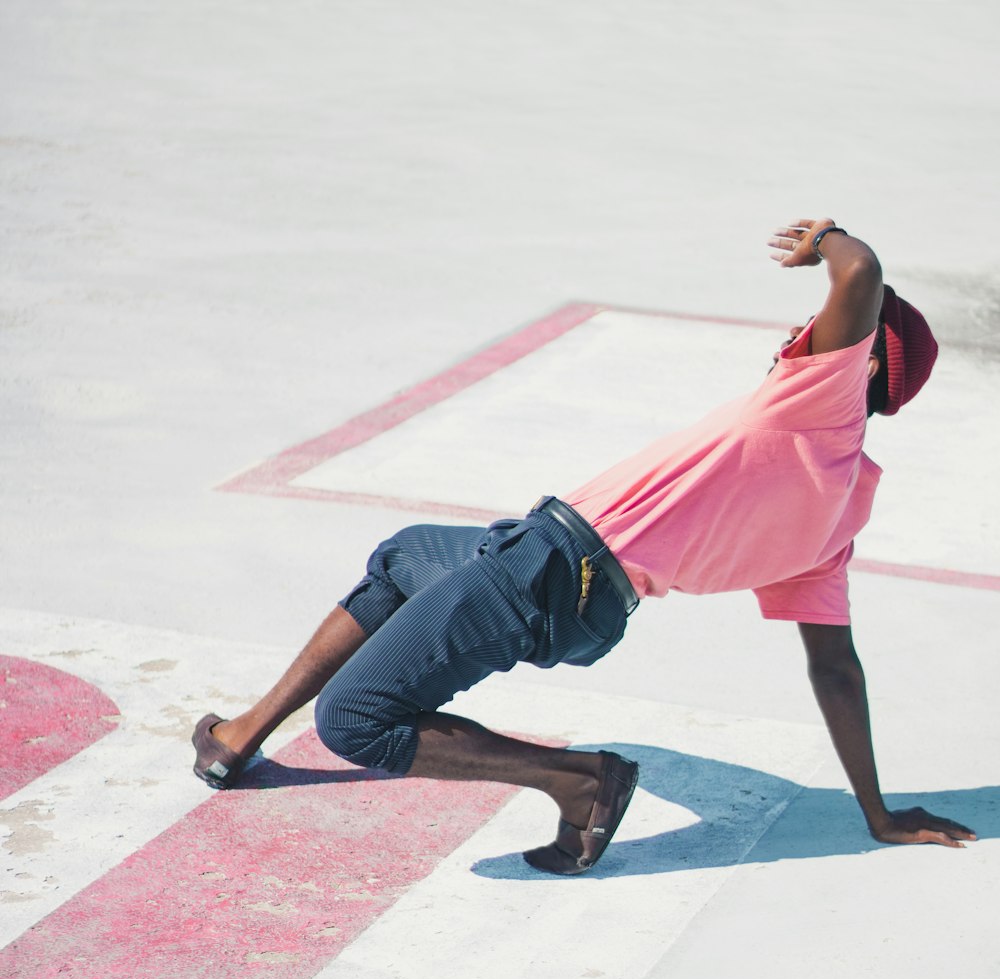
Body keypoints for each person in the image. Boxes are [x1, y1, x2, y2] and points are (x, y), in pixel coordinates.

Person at [192, 217, 976, 872]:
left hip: (544, 572)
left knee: (355, 722)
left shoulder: (813, 404)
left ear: (861, 361)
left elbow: (861, 271)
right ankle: (242, 736)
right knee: (406, 553)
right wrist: (874, 812)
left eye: (819, 334)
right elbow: (834, 666)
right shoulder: (840, 508)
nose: (794, 338)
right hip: (578, 594)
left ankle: (577, 782)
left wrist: (828, 237)